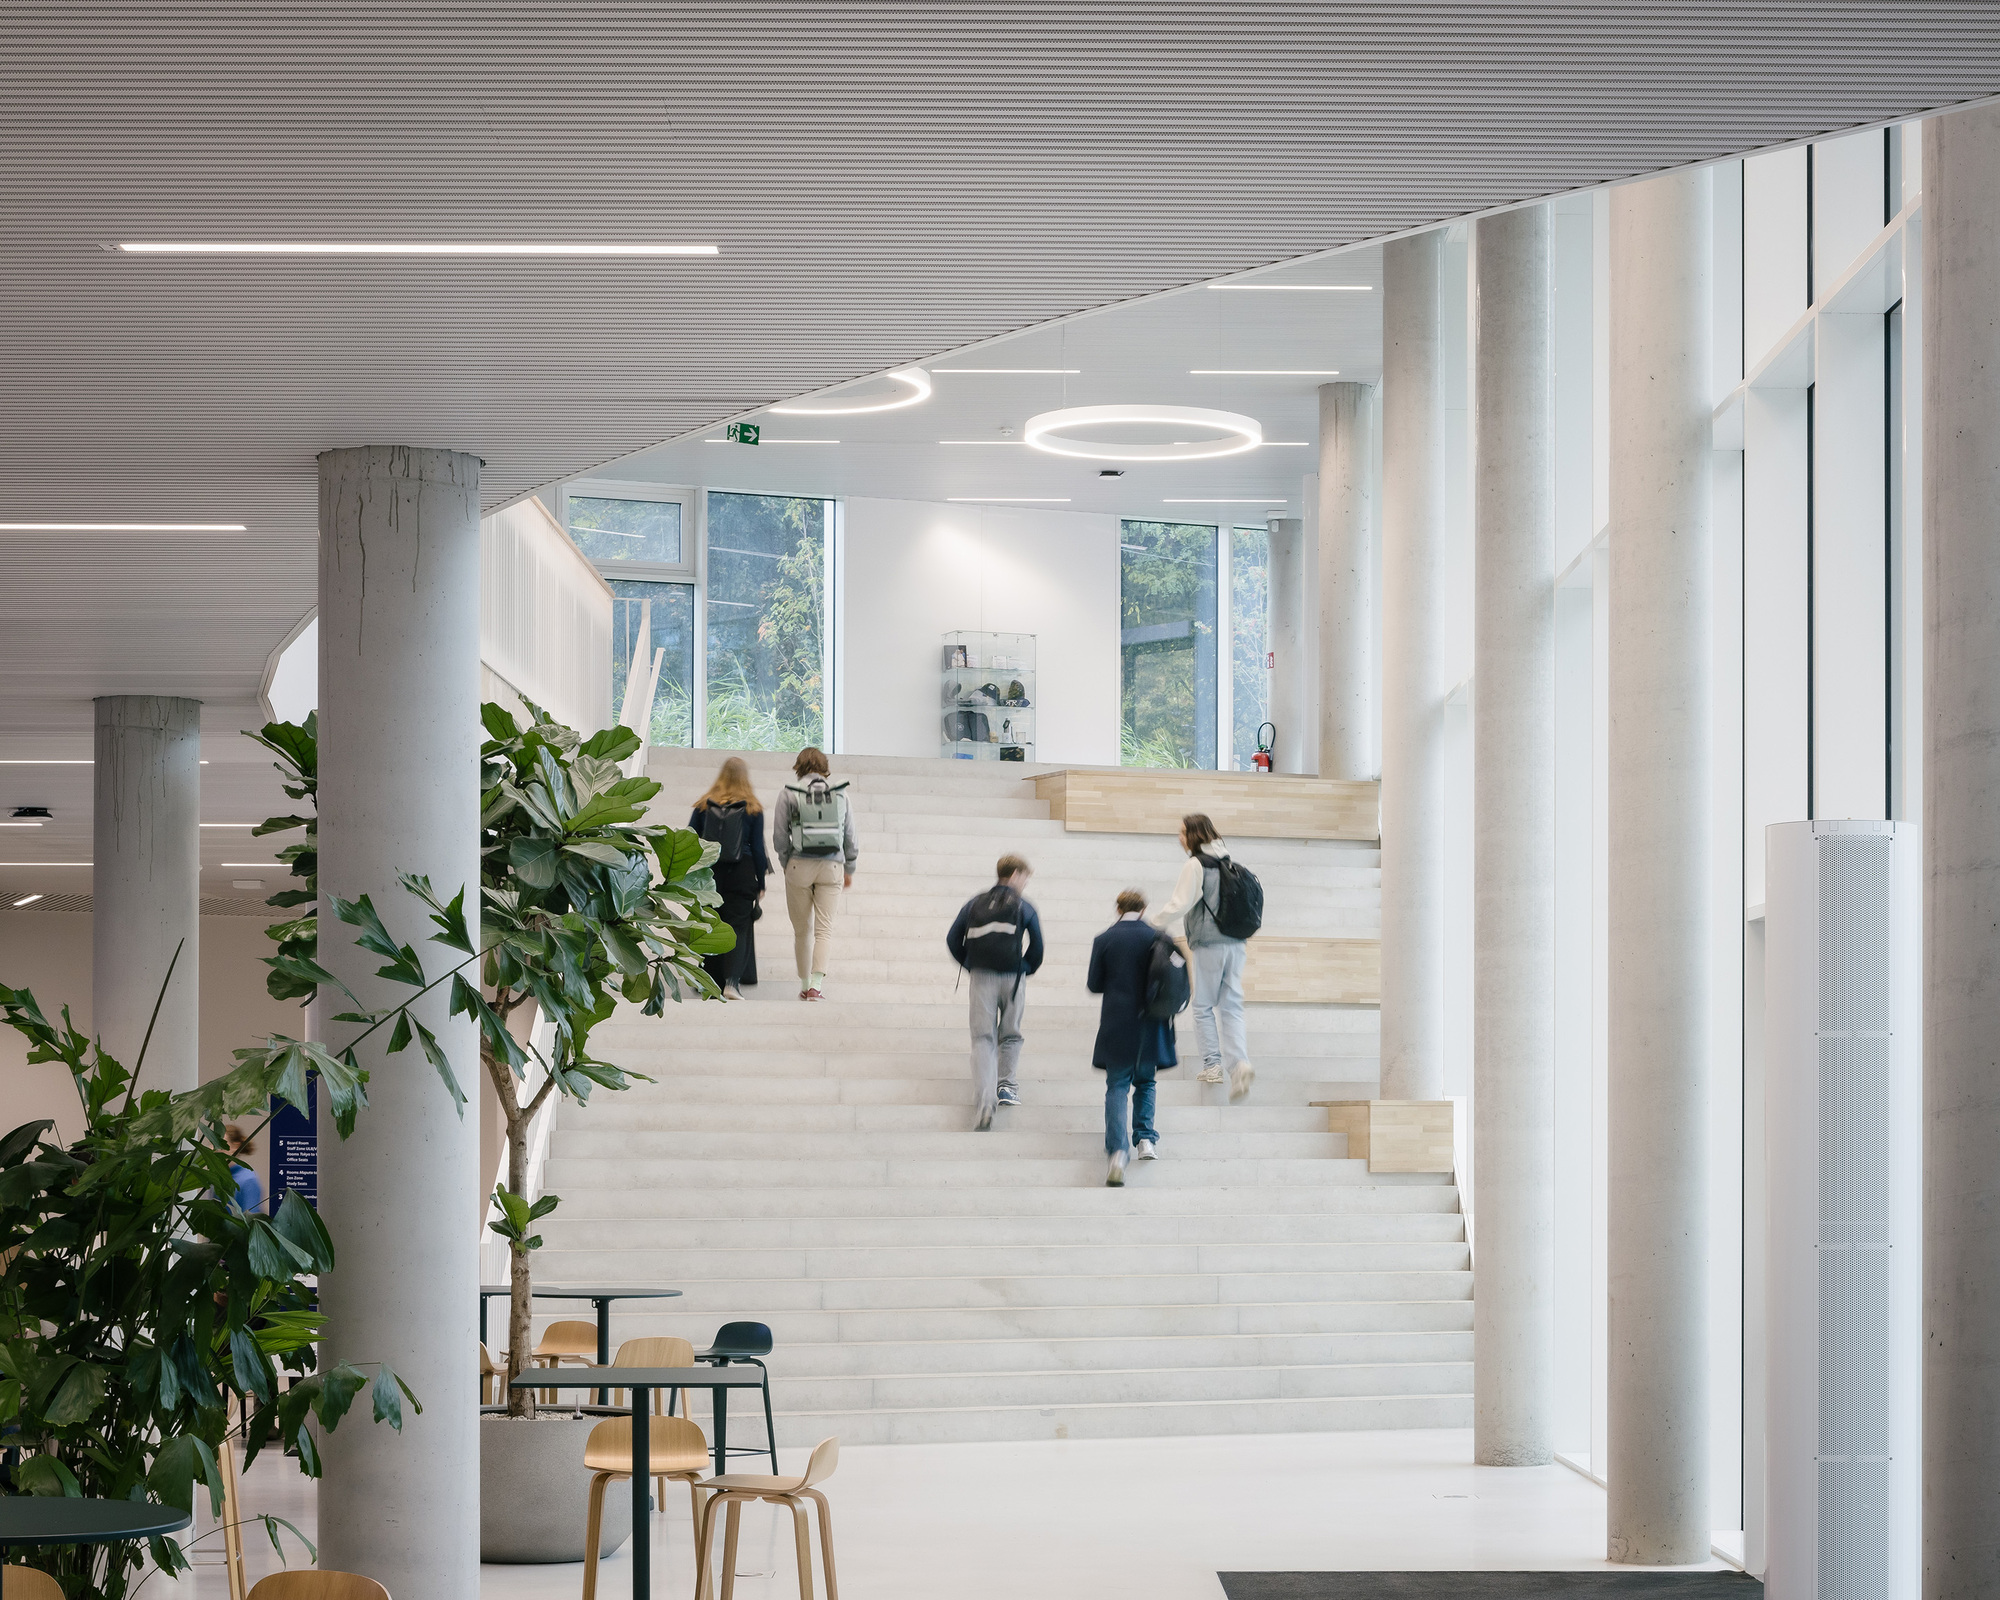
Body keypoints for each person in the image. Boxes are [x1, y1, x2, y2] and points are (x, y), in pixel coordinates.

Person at [1149, 812, 1254, 1100]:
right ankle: (1240, 1063)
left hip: (1210, 943)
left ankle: (1212, 1064)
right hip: (1237, 943)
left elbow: (1180, 903)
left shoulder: (1196, 864)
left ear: (1194, 835)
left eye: (1182, 832)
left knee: (1204, 1005)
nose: (1179, 838)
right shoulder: (1228, 862)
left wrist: (1153, 923)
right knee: (1231, 1005)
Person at [946, 853, 1045, 1131]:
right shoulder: (1024, 906)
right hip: (1013, 978)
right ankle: (1007, 1087)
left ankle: (985, 1102)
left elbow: (952, 938)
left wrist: (970, 965)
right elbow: (1038, 945)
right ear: (1014, 875)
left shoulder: (974, 904)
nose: (1025, 882)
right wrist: (1025, 967)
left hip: (982, 978)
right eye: (1025, 877)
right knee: (1010, 1033)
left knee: (982, 1038)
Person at [1088, 888, 1178, 1187]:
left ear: (1118, 909)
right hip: (1150, 1023)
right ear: (1143, 909)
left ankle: (1117, 1152)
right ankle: (1145, 1141)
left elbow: (1094, 983)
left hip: (1116, 1022)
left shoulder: (1104, 939)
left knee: (1117, 1086)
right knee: (1146, 1082)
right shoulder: (1158, 937)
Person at [772, 746, 857, 1001]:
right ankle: (816, 987)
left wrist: (787, 862)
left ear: (799, 767)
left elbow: (778, 836)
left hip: (798, 866)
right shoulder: (840, 794)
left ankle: (804, 982)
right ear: (824, 767)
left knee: (802, 930)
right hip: (832, 867)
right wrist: (849, 867)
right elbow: (850, 837)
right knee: (824, 930)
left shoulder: (788, 793)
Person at [690, 755, 769, 1000]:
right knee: (738, 927)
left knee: (711, 924)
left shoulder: (703, 805)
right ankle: (731, 983)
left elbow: (690, 839)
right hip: (742, 871)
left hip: (710, 872)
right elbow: (757, 847)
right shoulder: (753, 808)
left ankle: (708, 981)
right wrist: (761, 883)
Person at [223, 1124, 264, 1214]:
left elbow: (250, 1220)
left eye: (220, 1144)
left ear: (235, 1147)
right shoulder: (218, 1178)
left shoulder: (248, 1180)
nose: (213, 1148)